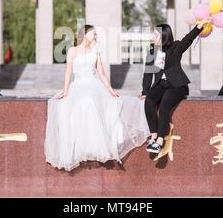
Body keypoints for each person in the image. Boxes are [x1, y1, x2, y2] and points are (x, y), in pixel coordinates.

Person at [44, 24, 150, 171]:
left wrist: (110, 88)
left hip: (94, 85)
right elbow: (68, 73)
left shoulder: (96, 50)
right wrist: (65, 91)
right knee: (77, 104)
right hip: (78, 85)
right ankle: (81, 146)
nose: (96, 36)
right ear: (85, 34)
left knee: (98, 101)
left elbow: (101, 72)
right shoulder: (72, 51)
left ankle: (98, 147)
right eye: (93, 34)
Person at [139, 18, 210, 154]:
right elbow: (148, 73)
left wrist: (198, 27)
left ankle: (160, 141)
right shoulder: (152, 52)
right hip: (161, 85)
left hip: (177, 85)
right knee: (149, 101)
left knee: (165, 105)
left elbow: (187, 40)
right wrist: (145, 91)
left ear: (164, 35)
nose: (153, 37)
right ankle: (153, 136)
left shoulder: (175, 47)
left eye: (156, 34)